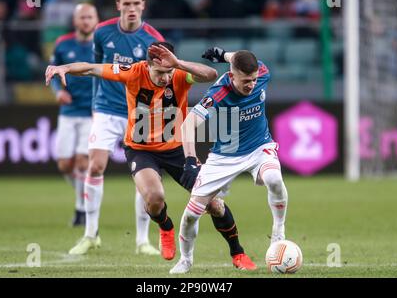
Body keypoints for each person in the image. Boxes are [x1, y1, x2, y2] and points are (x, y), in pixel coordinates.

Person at [45, 42, 257, 270]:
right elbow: (90, 68)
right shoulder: (133, 72)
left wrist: (177, 65)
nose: (166, 77)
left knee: (214, 203)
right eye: (160, 72)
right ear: (148, 66)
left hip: (177, 150)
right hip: (141, 149)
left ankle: (238, 253)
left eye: (169, 72)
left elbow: (211, 74)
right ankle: (165, 226)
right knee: (154, 198)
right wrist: (64, 68)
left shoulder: (179, 74)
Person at [169, 47, 289, 274]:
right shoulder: (218, 93)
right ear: (232, 76)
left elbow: (237, 58)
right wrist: (189, 161)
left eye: (253, 80)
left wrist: (223, 54)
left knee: (273, 177)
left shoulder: (261, 72)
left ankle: (279, 231)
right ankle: (186, 260)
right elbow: (188, 125)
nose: (251, 85)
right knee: (192, 214)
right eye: (246, 81)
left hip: (258, 147)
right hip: (223, 156)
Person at [70, 0, 165, 256]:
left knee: (146, 177)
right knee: (96, 166)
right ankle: (90, 235)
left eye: (137, 4)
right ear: (118, 5)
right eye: (127, 4)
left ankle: (142, 240)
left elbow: (162, 80)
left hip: (140, 113)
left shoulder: (153, 40)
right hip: (106, 109)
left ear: (143, 5)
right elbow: (94, 68)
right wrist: (93, 104)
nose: (132, 9)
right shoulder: (102, 32)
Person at [49, 3, 98, 226]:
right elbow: (51, 72)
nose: (86, 21)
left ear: (96, 20)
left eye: (90, 17)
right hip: (68, 112)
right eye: (82, 18)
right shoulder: (62, 44)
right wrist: (58, 92)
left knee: (81, 162)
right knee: (64, 165)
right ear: (75, 21)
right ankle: (81, 198)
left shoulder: (102, 45)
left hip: (92, 112)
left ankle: (81, 210)